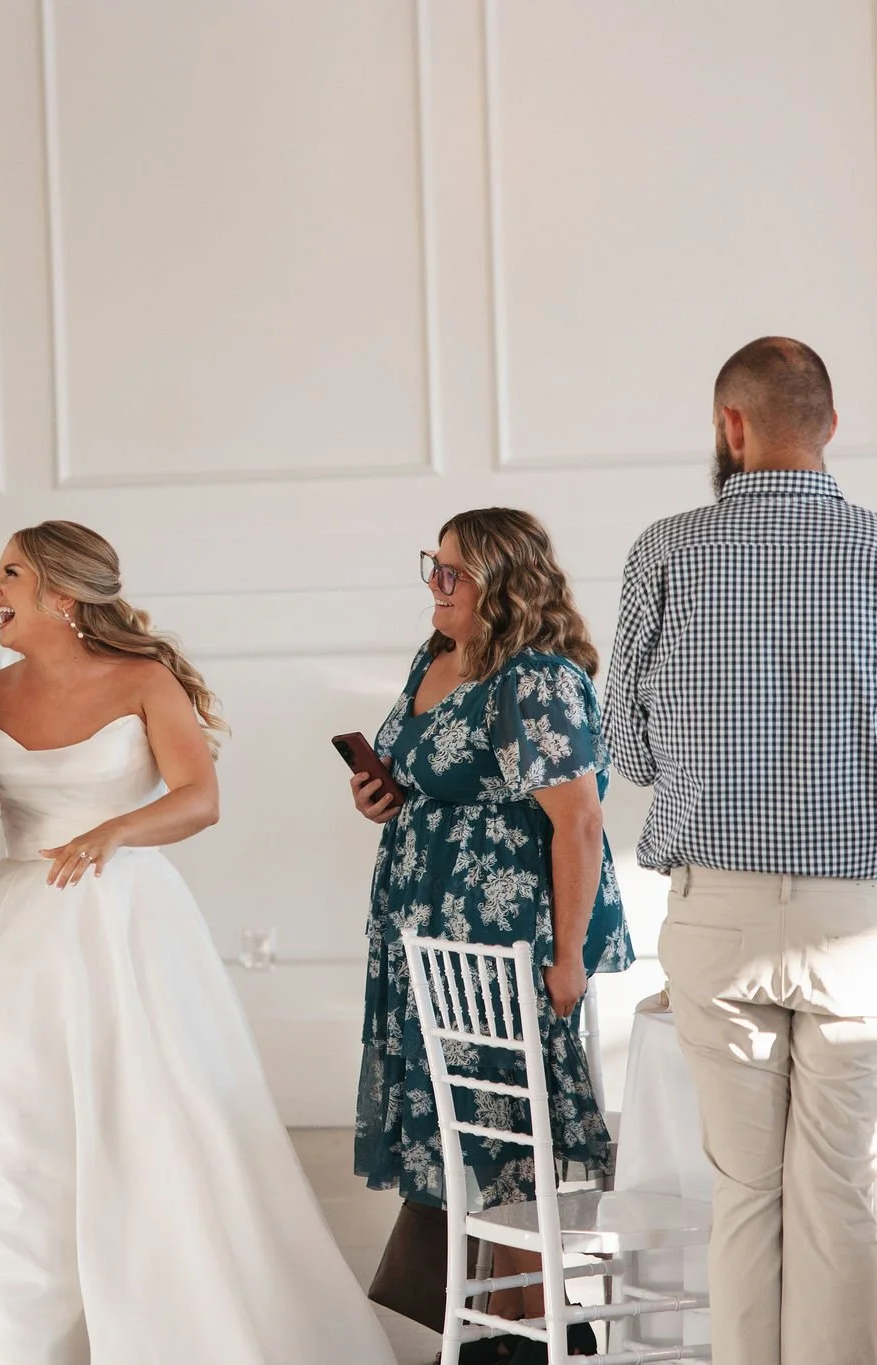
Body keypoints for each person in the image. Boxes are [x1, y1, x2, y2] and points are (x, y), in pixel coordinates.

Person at [0, 520, 395, 1364]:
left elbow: (199, 798)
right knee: (5, 1126)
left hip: (121, 922)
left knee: (148, 1117)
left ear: (62, 593)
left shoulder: (144, 679)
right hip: (14, 934)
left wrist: (114, 832)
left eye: (8, 573)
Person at [604, 337, 877, 1365]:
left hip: (714, 915)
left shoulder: (664, 551)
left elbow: (624, 751)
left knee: (743, 1194)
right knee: (838, 1193)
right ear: (827, 426)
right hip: (857, 923)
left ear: (730, 427)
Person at [350, 507, 632, 1364]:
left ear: (503, 584)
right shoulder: (434, 657)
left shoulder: (536, 679)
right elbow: (430, 776)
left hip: (507, 941)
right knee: (457, 1139)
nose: (435, 586)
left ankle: (543, 1340)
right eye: (430, 566)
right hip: (426, 934)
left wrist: (568, 956)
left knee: (512, 1147)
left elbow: (577, 824)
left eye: (453, 573)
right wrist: (383, 796)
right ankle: (504, 1333)